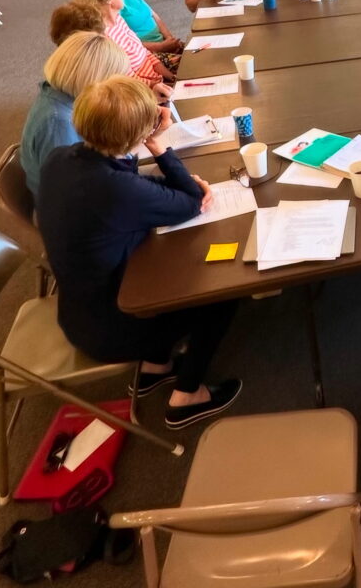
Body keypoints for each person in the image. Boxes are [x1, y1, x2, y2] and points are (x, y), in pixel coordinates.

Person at [37, 77, 242, 429]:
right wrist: (158, 146)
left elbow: (134, 185)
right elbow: (189, 202)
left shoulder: (62, 159)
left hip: (79, 311)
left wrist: (172, 178)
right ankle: (187, 396)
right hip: (114, 327)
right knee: (222, 293)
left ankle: (155, 366)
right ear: (135, 136)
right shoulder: (115, 190)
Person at [20, 31, 130, 199]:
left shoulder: (61, 95)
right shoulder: (58, 121)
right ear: (95, 79)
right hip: (70, 209)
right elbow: (69, 189)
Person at [69, 0, 173, 92]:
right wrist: (158, 84)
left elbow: (143, 51)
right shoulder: (104, 38)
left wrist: (169, 75)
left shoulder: (118, 19)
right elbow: (127, 79)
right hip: (140, 89)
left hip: (155, 71)